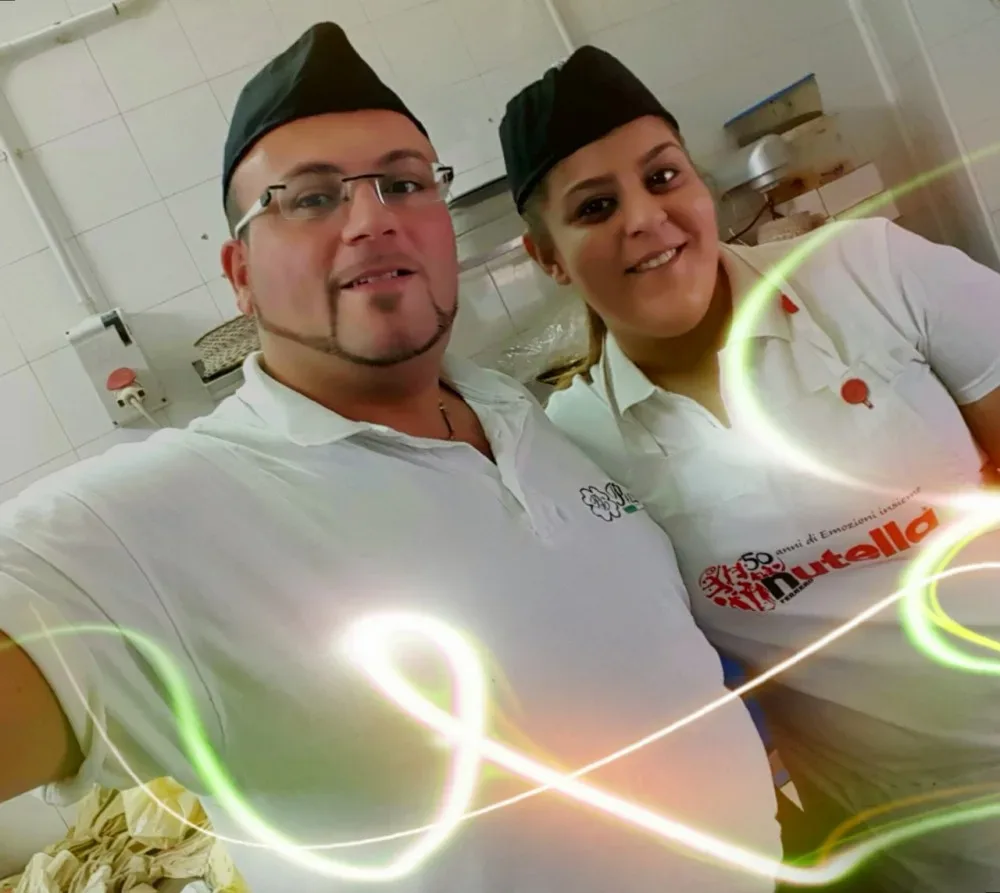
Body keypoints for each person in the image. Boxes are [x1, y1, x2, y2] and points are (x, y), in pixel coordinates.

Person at [0, 23, 783, 893]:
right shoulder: (159, 521)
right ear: (241, 273)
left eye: (404, 183)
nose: (374, 217)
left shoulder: (527, 419)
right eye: (308, 198)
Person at [498, 45, 1000, 893]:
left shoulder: (872, 272)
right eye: (595, 206)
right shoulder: (576, 448)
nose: (646, 218)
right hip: (914, 842)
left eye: (663, 176)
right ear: (546, 255)